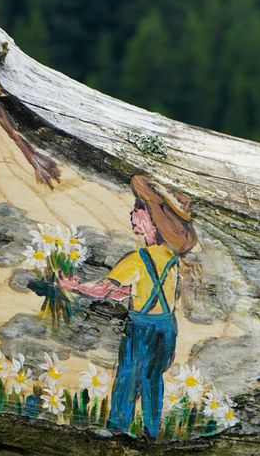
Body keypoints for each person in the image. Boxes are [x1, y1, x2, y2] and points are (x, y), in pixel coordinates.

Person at [59, 174, 197, 439]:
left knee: (127, 376)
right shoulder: (171, 258)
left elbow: (106, 289)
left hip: (141, 327)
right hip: (166, 327)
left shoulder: (137, 258)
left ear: (149, 220)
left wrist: (76, 286)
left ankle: (117, 427)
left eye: (137, 210)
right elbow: (133, 291)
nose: (132, 214)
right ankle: (151, 433)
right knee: (152, 379)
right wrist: (114, 291)